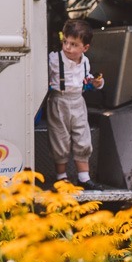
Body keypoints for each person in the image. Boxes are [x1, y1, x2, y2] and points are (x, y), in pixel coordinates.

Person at [47, 19, 105, 190]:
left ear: (84, 48)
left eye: (73, 44)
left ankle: (84, 178)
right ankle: (61, 177)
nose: (67, 47)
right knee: (60, 139)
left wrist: (96, 83)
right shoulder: (54, 58)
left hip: (78, 101)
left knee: (83, 137)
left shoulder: (85, 62)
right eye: (65, 41)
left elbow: (88, 81)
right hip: (59, 100)